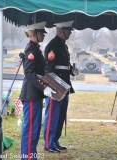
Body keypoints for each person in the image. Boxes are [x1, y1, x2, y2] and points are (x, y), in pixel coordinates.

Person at [19, 22, 56, 159]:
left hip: (35, 94)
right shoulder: (31, 50)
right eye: (41, 33)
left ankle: (30, 155)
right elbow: (29, 73)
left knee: (34, 129)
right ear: (34, 34)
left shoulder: (35, 49)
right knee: (31, 129)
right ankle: (28, 157)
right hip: (31, 94)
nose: (43, 35)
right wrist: (44, 87)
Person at [44, 20, 79, 153]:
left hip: (64, 86)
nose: (70, 33)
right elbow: (49, 70)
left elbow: (64, 66)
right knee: (53, 115)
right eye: (68, 30)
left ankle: (55, 140)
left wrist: (72, 70)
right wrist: (55, 88)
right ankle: (49, 142)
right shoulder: (52, 46)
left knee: (60, 115)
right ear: (60, 31)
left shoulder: (63, 46)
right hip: (56, 87)